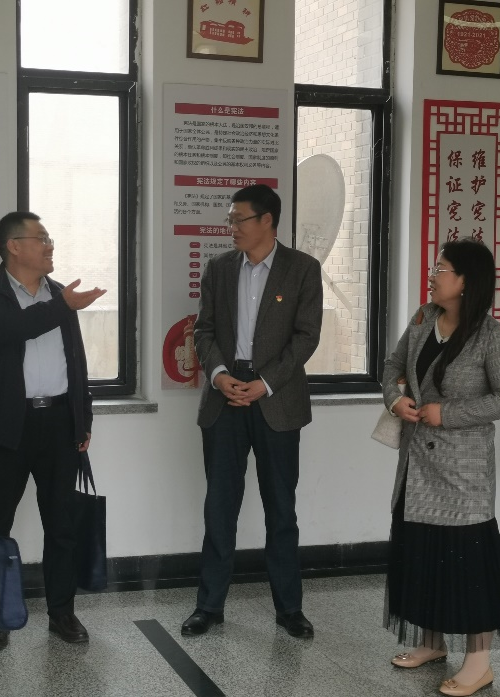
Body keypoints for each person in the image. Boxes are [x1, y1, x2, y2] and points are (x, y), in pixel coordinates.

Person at [181, 184, 323, 639]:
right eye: (230, 219)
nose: (232, 227)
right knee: (219, 507)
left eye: (238, 218)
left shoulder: (303, 269)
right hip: (224, 397)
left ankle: (289, 609)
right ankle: (209, 606)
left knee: (281, 509)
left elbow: (306, 336)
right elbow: (203, 330)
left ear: (267, 221)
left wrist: (265, 383)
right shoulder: (220, 268)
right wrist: (219, 374)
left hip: (276, 399)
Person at [381, 239, 500, 697]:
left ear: (465, 281)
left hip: (463, 472)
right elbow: (393, 365)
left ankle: (479, 664)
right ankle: (432, 642)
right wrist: (395, 398)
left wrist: (449, 413)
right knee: (423, 550)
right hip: (417, 462)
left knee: (467, 561)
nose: (432, 275)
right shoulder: (424, 318)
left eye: (441, 269)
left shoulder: (491, 334)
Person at [0, 212, 105, 649]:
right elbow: (10, 330)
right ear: (13, 246)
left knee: (61, 524)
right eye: (41, 238)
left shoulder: (61, 294)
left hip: (60, 422)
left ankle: (62, 612)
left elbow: (76, 361)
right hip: (8, 425)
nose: (50, 245)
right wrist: (64, 306)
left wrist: (83, 418)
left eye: (49, 238)